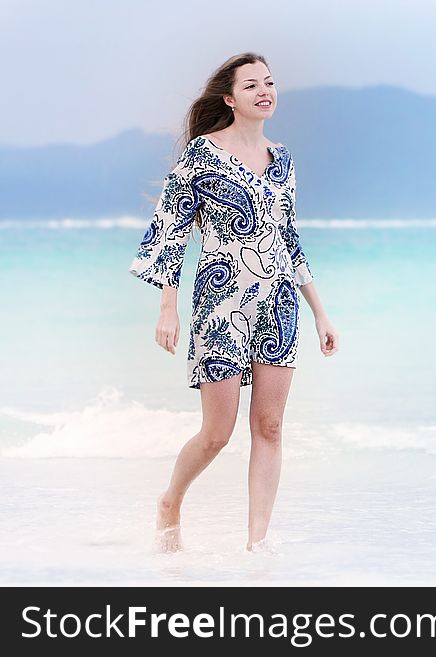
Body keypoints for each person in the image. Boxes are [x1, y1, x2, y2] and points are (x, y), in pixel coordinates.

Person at [128, 53, 339, 553]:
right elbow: (171, 230)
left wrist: (320, 310)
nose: (265, 91)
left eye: (269, 82)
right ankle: (170, 501)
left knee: (269, 425)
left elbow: (288, 237)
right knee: (217, 433)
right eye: (252, 85)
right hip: (222, 305)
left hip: (279, 303)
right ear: (229, 98)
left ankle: (257, 545)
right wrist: (167, 307)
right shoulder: (202, 155)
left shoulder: (282, 159)